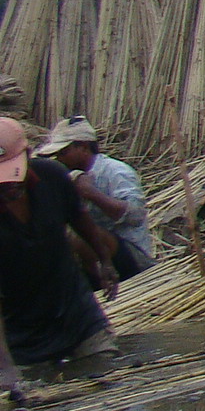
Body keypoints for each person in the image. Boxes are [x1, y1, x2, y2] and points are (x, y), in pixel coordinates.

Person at [0, 117, 118, 391]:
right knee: (38, 405)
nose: (8, 186)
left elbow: (81, 219)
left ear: (28, 156)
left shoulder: (53, 178)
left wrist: (105, 261)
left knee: (109, 382)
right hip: (22, 331)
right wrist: (5, 368)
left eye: (12, 175)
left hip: (75, 311)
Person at [38, 117, 154, 280]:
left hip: (132, 257)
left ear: (84, 147)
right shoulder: (69, 176)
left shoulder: (115, 171)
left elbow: (136, 215)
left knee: (79, 235)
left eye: (63, 153)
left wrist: (92, 193)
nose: (59, 159)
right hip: (97, 257)